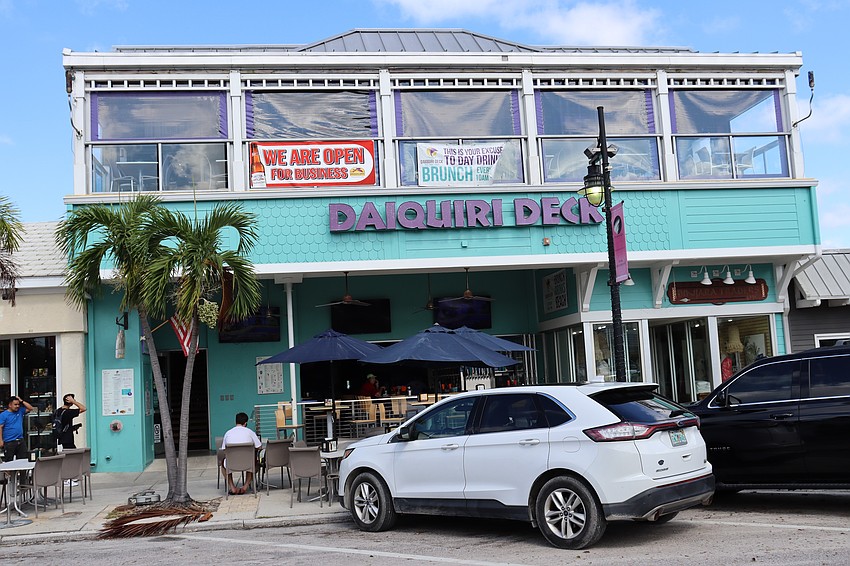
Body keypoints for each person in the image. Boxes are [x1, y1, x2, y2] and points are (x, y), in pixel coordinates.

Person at [220, 411, 262, 495]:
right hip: (248, 463)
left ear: (236, 422)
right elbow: (259, 447)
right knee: (254, 461)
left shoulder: (228, 433)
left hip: (232, 463)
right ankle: (245, 487)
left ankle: (232, 487)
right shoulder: (250, 432)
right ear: (245, 423)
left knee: (223, 465)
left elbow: (224, 449)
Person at [0, 396, 33, 462]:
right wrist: (1, 440)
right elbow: (0, 427)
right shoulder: (3, 415)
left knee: (23, 461)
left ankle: (22, 472)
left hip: (20, 440)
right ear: (10, 405)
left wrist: (22, 401)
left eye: (18, 404)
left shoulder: (20, 411)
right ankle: (9, 472)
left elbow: (30, 408)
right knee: (9, 462)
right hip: (9, 441)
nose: (17, 406)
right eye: (15, 404)